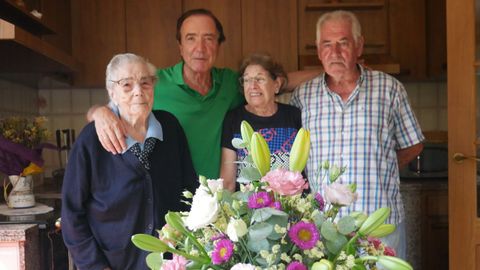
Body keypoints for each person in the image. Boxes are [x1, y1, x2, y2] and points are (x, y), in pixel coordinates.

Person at [89, 9, 319, 180]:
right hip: (173, 195)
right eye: (191, 38)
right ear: (180, 46)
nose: (200, 48)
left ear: (218, 45)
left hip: (220, 201)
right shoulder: (155, 83)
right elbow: (114, 105)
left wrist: (335, 71)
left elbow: (283, 80)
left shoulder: (231, 83)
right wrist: (99, 113)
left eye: (209, 39)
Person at [290, 10, 424, 260]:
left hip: (379, 226)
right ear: (318, 51)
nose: (335, 52)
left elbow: (413, 145)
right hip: (323, 229)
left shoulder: (389, 89)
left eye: (343, 42)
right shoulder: (302, 96)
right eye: (327, 44)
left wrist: (379, 166)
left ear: (359, 46)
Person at [62, 53, 197, 270]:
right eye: (127, 85)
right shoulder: (91, 140)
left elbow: (190, 190)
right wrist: (95, 266)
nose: (138, 91)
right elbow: (71, 214)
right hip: (111, 263)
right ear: (112, 92)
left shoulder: (170, 128)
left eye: (145, 82)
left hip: (167, 263)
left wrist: (178, 233)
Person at [220, 53, 302, 191]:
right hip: (248, 208)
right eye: (247, 80)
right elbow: (228, 181)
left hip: (290, 207)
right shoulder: (234, 119)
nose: (253, 86)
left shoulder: (294, 116)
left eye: (260, 79)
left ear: (276, 84)